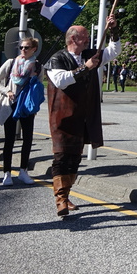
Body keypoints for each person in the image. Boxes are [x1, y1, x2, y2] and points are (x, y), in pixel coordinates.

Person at [45, 16, 120, 217]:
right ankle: (60, 199)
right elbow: (61, 80)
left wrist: (113, 30)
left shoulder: (89, 54)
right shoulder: (57, 59)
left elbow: (113, 51)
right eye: (84, 37)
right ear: (73, 39)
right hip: (62, 117)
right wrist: (85, 67)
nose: (88, 40)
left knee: (75, 158)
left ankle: (66, 194)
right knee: (61, 156)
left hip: (82, 115)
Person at [0, 37, 43, 186]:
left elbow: (39, 89)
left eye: (26, 47)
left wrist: (34, 80)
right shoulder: (11, 63)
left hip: (26, 106)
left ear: (34, 49)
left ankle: (23, 171)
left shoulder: (38, 66)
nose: (23, 50)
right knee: (9, 139)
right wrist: (6, 91)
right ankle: (7, 173)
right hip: (11, 104)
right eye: (21, 47)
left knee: (27, 139)